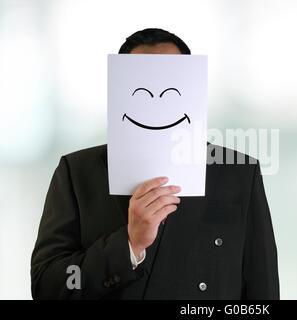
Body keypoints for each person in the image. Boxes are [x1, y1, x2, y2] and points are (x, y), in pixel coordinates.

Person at [30, 28, 279, 299]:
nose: (157, 99)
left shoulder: (237, 174)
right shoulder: (78, 173)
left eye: (171, 84)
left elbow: (261, 292)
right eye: (142, 86)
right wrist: (129, 244)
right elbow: (48, 286)